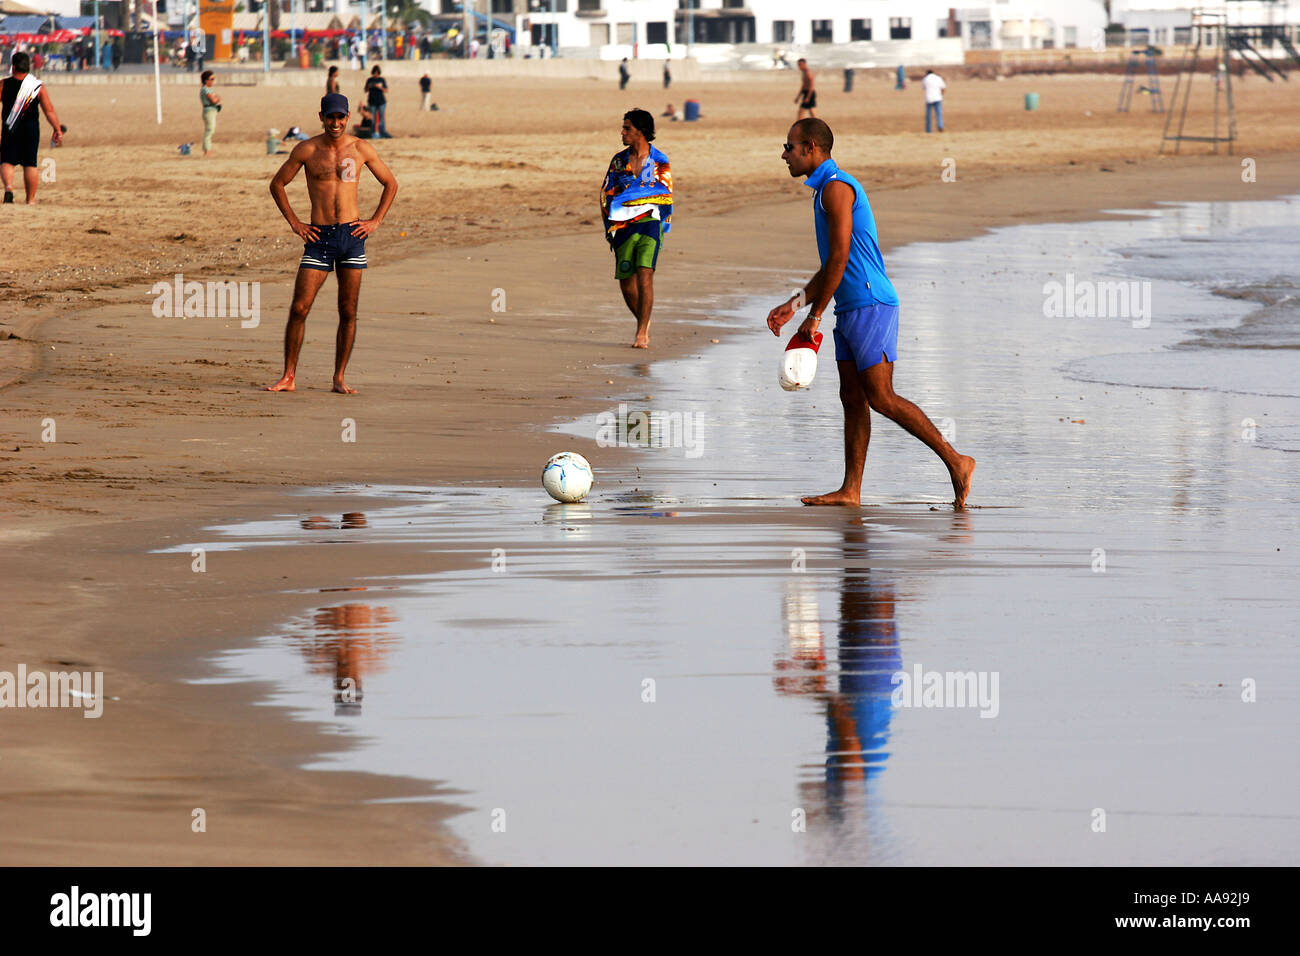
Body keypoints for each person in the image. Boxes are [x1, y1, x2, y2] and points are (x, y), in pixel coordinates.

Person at [765, 119, 974, 508]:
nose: (784, 154)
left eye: (789, 147)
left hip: (870, 302)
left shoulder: (836, 188)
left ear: (811, 148)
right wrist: (794, 306)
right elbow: (831, 264)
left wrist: (814, 317)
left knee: (881, 396)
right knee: (852, 398)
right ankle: (851, 489)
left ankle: (957, 460)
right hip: (851, 305)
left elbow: (841, 257)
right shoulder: (823, 191)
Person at [266, 92, 398, 395]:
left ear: (348, 117)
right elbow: (277, 184)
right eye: (330, 117)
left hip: (352, 236)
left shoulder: (362, 148)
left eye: (340, 117)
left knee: (348, 310)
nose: (335, 123)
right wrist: (295, 223)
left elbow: (390, 183)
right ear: (321, 117)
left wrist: (376, 221)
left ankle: (339, 377)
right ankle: (289, 376)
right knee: (300, 307)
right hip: (319, 237)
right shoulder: (307, 149)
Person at [600, 108, 672, 349]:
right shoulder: (618, 161)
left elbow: (666, 196)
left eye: (627, 128)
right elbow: (606, 194)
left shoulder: (660, 160)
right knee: (626, 281)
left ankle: (641, 332)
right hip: (621, 226)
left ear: (640, 132)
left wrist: (663, 227)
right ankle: (644, 320)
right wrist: (608, 229)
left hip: (650, 223)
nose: (622, 132)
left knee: (645, 274)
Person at [1, 53, 64, 204]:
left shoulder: (3, 85)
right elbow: (49, 110)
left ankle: (9, 188)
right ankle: (30, 200)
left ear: (13, 67)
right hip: (30, 128)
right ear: (28, 67)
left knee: (7, 160)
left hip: (10, 126)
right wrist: (57, 129)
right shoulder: (38, 86)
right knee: (30, 163)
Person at [364, 65, 390, 138]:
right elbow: (365, 90)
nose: (376, 74)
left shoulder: (382, 80)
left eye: (377, 73)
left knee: (382, 118)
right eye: (375, 72)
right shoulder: (369, 80)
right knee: (373, 119)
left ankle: (382, 132)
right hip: (372, 101)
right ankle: (372, 133)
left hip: (381, 101)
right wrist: (370, 86)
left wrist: (380, 87)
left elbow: (386, 90)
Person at [199, 70, 220, 157]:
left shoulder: (208, 89)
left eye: (213, 79)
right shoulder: (205, 89)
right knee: (209, 130)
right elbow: (214, 100)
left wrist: (216, 98)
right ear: (206, 80)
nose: (213, 81)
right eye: (211, 79)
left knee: (211, 129)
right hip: (209, 111)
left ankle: (207, 149)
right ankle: (207, 150)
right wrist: (217, 98)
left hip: (211, 110)